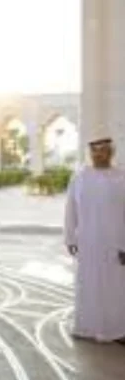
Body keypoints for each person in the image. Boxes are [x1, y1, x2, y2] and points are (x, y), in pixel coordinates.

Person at [64, 137, 125, 342]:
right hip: (87, 242)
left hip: (115, 242)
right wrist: (70, 238)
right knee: (87, 285)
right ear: (90, 153)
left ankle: (117, 329)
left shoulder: (121, 178)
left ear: (111, 152)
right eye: (95, 150)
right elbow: (71, 210)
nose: (99, 154)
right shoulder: (79, 178)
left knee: (116, 286)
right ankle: (86, 328)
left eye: (103, 150)